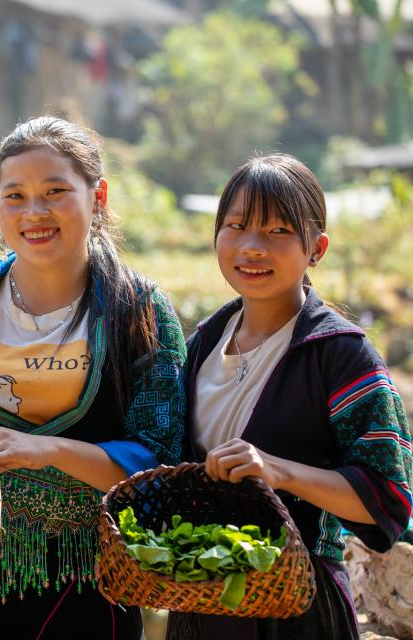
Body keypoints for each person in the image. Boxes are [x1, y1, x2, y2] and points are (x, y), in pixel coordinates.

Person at [0, 116, 187, 640]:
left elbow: (160, 460)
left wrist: (48, 450)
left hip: (84, 583)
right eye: (15, 196)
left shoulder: (137, 314)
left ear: (97, 196)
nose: (34, 212)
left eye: (56, 191)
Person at [165, 154, 412, 640]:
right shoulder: (201, 344)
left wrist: (277, 470)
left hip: (298, 609)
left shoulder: (341, 355)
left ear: (316, 248)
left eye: (278, 231)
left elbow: (389, 499)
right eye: (236, 226)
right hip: (200, 606)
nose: (253, 247)